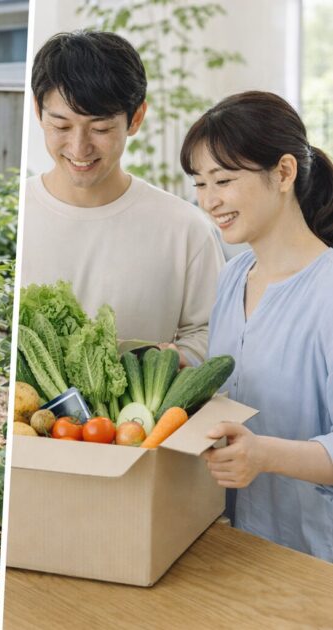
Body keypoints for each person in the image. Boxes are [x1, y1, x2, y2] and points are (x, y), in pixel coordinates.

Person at [181, 91, 333, 562]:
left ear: (284, 173)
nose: (210, 201)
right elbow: (237, 380)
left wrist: (264, 455)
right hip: (231, 544)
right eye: (200, 184)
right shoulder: (232, 277)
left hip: (311, 561)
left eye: (223, 180)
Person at [21, 30, 225, 367]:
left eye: (100, 129)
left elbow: (213, 332)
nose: (79, 148)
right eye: (61, 126)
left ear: (136, 118)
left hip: (138, 419)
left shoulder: (184, 228)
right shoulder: (21, 210)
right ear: (38, 111)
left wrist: (172, 361)